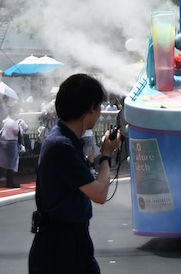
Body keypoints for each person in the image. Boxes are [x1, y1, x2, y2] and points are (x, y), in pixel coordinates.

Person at [29, 73, 122, 274]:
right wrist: (106, 155)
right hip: (60, 246)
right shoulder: (62, 145)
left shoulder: (64, 140)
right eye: (99, 107)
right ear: (91, 108)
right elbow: (99, 194)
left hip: (69, 240)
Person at [0, 101, 28, 188]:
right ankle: (10, 182)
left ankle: (9, 181)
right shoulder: (13, 122)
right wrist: (20, 127)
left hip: (5, 142)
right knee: (11, 163)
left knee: (9, 163)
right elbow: (16, 133)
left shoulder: (6, 121)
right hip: (11, 143)